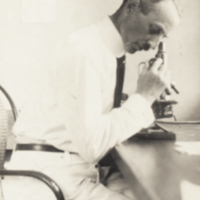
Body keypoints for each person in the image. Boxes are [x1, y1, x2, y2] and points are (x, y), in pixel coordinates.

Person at [4, 0, 180, 199]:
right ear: (131, 7)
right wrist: (143, 98)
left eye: (162, 37)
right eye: (154, 30)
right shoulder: (83, 52)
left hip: (69, 167)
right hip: (48, 175)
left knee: (154, 192)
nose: (153, 44)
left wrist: (143, 100)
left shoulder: (103, 49)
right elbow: (92, 145)